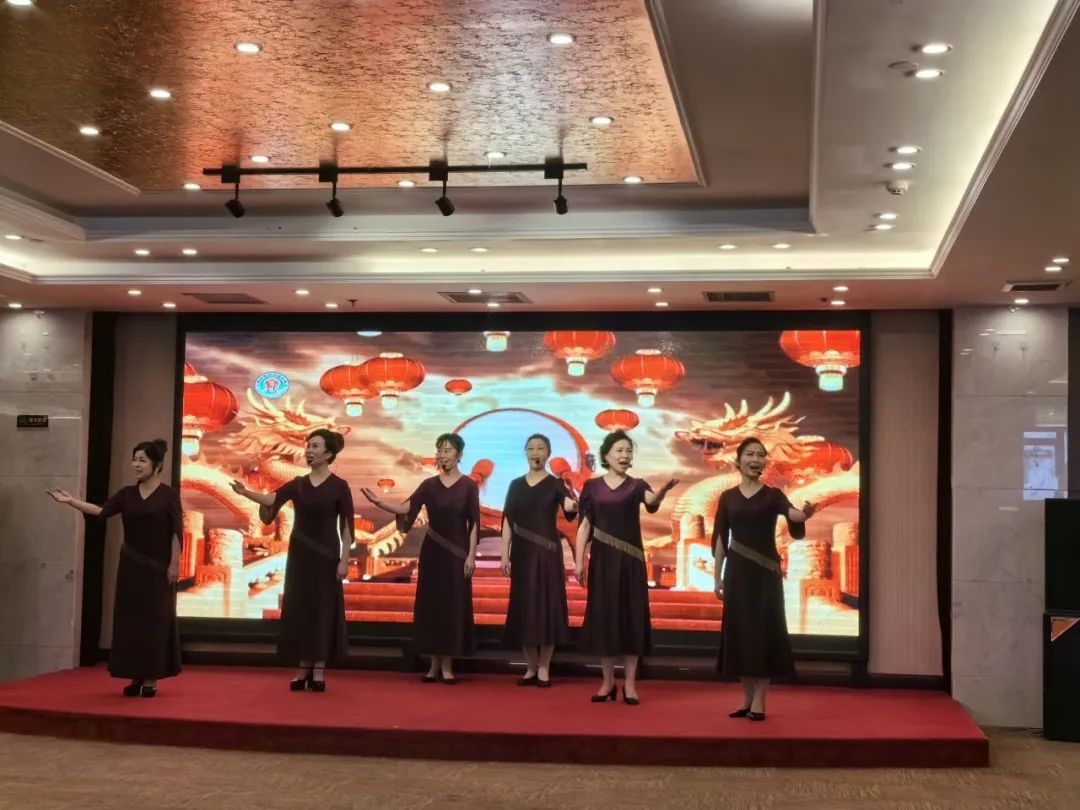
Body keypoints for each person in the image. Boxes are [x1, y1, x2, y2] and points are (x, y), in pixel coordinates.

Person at [48, 439, 181, 698]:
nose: (135, 465)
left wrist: (174, 563)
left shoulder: (168, 495)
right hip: (131, 567)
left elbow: (176, 531)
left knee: (154, 622)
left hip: (158, 569)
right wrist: (71, 501)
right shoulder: (127, 494)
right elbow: (101, 511)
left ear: (157, 465)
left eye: (142, 460)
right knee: (130, 622)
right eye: (134, 459)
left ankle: (151, 678)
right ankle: (135, 676)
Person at [231, 429, 353, 692]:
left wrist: (344, 560)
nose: (309, 450)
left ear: (328, 453)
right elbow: (271, 499)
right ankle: (303, 665)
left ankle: (319, 666)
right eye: (308, 446)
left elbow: (346, 527)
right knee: (301, 607)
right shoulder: (298, 484)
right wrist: (244, 492)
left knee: (322, 609)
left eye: (315, 446)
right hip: (300, 554)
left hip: (327, 556)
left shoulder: (339, 486)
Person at [712, 437, 817, 721]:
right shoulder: (727, 497)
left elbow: (794, 515)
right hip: (737, 574)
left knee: (763, 633)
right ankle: (746, 699)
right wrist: (717, 577)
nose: (755, 459)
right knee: (741, 634)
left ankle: (759, 699)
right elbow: (721, 538)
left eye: (760, 455)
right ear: (738, 461)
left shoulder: (773, 495)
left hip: (765, 574)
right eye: (750, 454)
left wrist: (806, 513)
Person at [362, 432, 479, 684]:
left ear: (459, 455)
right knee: (432, 606)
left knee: (452, 606)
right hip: (433, 551)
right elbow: (407, 508)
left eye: (447, 451)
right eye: (440, 450)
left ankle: (447, 664)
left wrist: (471, 555)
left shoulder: (469, 485)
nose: (442, 455)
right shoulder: (429, 485)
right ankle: (433, 664)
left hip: (457, 553)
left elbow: (474, 523)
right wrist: (380, 502)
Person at [573, 430, 677, 705]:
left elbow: (651, 501)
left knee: (631, 618)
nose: (624, 455)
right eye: (619, 450)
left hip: (631, 562)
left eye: (628, 451)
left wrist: (662, 492)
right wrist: (579, 560)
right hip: (603, 562)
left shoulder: (637, 485)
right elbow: (584, 526)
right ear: (606, 455)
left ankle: (629, 684)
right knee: (604, 618)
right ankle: (607, 683)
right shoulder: (592, 487)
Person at [500, 434, 578, 687]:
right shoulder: (515, 485)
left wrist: (573, 503)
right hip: (522, 554)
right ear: (526, 453)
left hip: (547, 554)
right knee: (524, 607)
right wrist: (504, 553)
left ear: (548, 453)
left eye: (541, 448)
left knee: (547, 608)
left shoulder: (555, 483)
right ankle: (530, 667)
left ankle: (544, 667)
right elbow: (507, 520)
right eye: (531, 448)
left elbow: (569, 507)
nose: (536, 452)